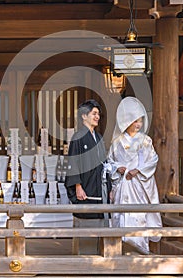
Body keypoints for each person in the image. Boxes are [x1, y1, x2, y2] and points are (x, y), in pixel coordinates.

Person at [107, 96, 162, 254]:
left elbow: (153, 160)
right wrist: (118, 168)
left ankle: (141, 250)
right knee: (121, 217)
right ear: (126, 121)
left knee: (139, 216)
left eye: (140, 121)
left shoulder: (146, 141)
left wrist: (138, 170)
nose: (138, 124)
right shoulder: (117, 142)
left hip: (138, 184)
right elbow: (109, 161)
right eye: (135, 121)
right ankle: (119, 252)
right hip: (124, 185)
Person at [65, 99, 111, 255]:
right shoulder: (78, 137)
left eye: (98, 114)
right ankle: (84, 257)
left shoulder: (97, 137)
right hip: (85, 186)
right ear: (84, 116)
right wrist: (77, 186)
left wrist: (109, 186)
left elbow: (105, 163)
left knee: (101, 218)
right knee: (86, 218)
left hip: (99, 186)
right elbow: (73, 162)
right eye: (94, 113)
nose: (97, 116)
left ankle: (99, 256)